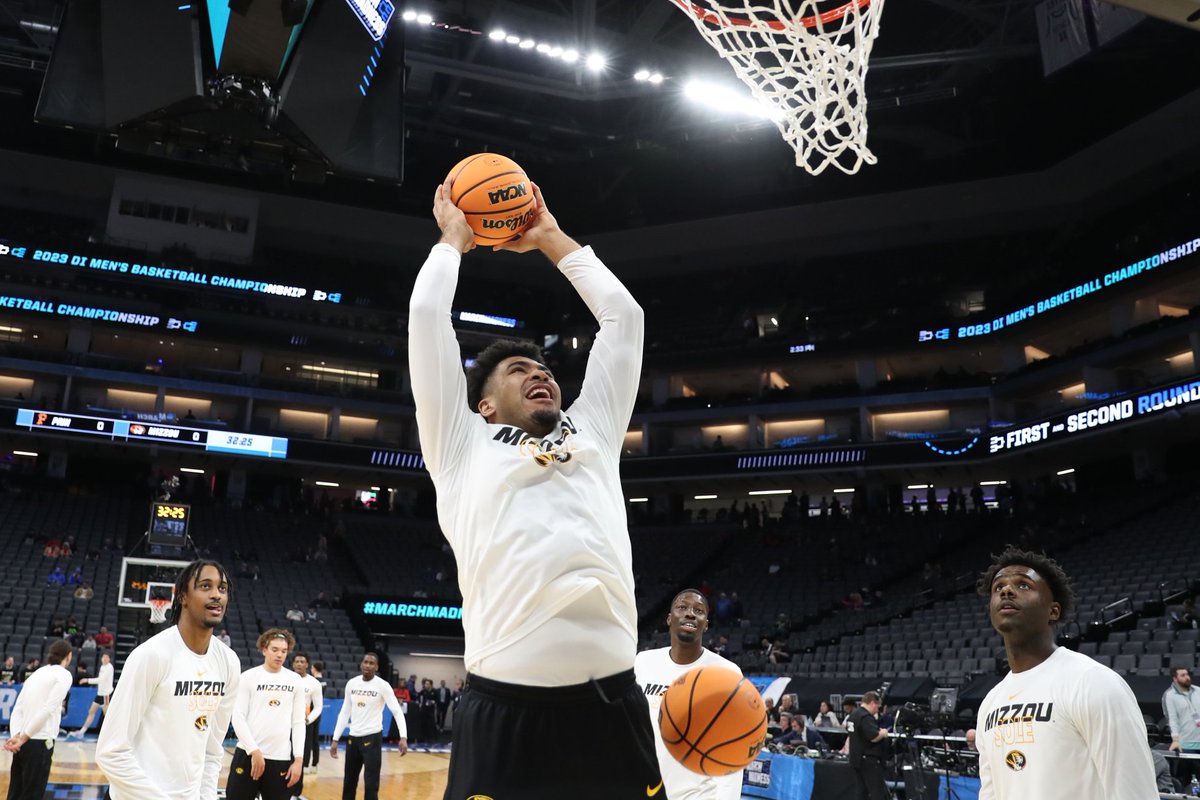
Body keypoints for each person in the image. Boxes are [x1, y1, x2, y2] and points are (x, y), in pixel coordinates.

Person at [410, 178, 661, 799]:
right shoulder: (461, 446)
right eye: (519, 371)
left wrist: (550, 238)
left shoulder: (595, 427)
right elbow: (425, 318)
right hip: (506, 715)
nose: (539, 375)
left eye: (544, 369)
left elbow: (624, 319)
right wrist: (453, 241)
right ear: (486, 404)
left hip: (613, 707)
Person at [974, 547, 1156, 799]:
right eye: (998, 587)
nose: (1006, 590)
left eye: (1024, 585)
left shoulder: (1092, 682)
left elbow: (1134, 793)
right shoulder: (990, 703)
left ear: (1053, 611)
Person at [96, 560, 241, 800]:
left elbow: (213, 749)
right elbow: (110, 752)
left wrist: (205, 796)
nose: (217, 595)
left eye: (222, 589)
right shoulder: (151, 655)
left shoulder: (229, 662)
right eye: (206, 586)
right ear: (183, 596)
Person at [634, 589, 743, 800]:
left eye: (699, 610)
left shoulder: (727, 672)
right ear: (669, 618)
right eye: (682, 607)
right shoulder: (643, 662)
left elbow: (733, 748)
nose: (690, 613)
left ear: (706, 623)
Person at [227, 629, 305, 800]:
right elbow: (238, 717)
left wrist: (298, 760)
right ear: (264, 649)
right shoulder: (248, 677)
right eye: (275, 649)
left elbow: (299, 722)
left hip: (280, 759)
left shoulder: (295, 680)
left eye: (284, 651)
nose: (280, 655)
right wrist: (254, 751)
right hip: (248, 755)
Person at [329, 653, 406, 800]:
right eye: (366, 662)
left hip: (372, 738)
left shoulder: (383, 686)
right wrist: (335, 739)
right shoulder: (352, 683)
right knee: (349, 782)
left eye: (372, 663)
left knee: (371, 784)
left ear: (376, 667)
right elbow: (345, 712)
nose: (368, 666)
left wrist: (403, 736)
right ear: (361, 664)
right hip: (353, 739)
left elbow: (397, 711)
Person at [3, 640, 73, 800]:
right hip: (40, 741)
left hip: (22, 742)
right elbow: (48, 709)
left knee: (15, 793)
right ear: (68, 656)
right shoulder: (64, 675)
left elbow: (17, 709)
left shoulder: (37, 673)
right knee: (32, 794)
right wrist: (23, 737)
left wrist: (16, 736)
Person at [846, 691, 890, 800]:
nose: (877, 710)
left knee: (861, 792)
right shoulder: (865, 717)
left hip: (856, 759)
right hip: (869, 761)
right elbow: (873, 737)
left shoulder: (853, 715)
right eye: (878, 707)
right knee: (877, 792)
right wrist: (883, 733)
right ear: (872, 703)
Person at [291, 652, 323, 781]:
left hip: (304, 724)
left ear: (307, 664)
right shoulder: (286, 678)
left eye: (302, 661)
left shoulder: (314, 683)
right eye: (297, 661)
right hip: (285, 724)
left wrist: (308, 719)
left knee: (301, 756)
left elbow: (318, 707)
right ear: (293, 663)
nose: (299, 664)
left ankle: (296, 791)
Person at [1165, 665, 1200, 786]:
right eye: (1183, 675)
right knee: (1186, 781)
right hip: (1185, 744)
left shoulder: (1198, 691)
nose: (1187, 677)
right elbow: (1172, 719)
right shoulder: (1170, 696)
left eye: (1187, 674)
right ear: (1175, 679)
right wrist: (1175, 740)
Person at [69, 651, 114, 738]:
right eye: (103, 657)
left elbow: (101, 680)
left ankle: (111, 735)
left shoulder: (109, 668)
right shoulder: (102, 666)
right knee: (91, 711)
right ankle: (82, 732)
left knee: (107, 716)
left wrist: (87, 680)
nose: (104, 659)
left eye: (106, 657)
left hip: (106, 695)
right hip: (100, 694)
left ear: (109, 659)